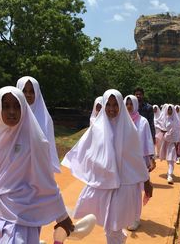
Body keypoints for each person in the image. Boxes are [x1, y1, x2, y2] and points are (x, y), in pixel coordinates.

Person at [0, 86, 73, 243]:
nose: (12, 111)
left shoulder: (35, 141)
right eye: (6, 106)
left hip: (25, 212)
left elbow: (46, 180)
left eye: (16, 106)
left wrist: (61, 215)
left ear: (24, 108)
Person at [62, 89, 153, 244]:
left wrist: (146, 181)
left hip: (125, 184)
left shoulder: (129, 129)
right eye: (108, 105)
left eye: (115, 105)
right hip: (104, 183)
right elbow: (85, 150)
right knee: (109, 224)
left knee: (114, 225)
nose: (111, 109)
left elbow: (136, 158)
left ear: (121, 106)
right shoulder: (97, 128)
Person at [16, 76, 60, 173]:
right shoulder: (12, 118)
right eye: (24, 91)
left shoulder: (45, 120)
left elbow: (49, 149)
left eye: (32, 91)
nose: (28, 95)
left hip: (39, 170)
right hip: (16, 170)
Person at [124, 95, 154, 231]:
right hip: (124, 161)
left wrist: (150, 159)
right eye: (127, 103)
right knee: (126, 190)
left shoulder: (143, 122)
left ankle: (136, 218)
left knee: (136, 191)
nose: (129, 106)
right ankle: (126, 216)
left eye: (131, 104)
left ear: (136, 105)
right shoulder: (122, 121)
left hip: (138, 161)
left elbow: (147, 140)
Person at [159, 104, 180, 184]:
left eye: (171, 110)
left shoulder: (176, 120)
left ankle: (170, 175)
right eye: (168, 110)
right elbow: (161, 129)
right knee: (168, 159)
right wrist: (165, 133)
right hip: (165, 141)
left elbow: (178, 130)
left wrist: (175, 139)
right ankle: (169, 172)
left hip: (172, 142)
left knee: (171, 158)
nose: (169, 111)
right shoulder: (164, 119)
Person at [134, 87, 156, 171]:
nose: (138, 96)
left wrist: (152, 137)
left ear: (143, 95)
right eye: (136, 94)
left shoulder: (148, 107)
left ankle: (146, 179)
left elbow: (151, 123)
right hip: (134, 134)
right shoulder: (131, 106)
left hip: (145, 134)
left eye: (140, 94)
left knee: (145, 157)